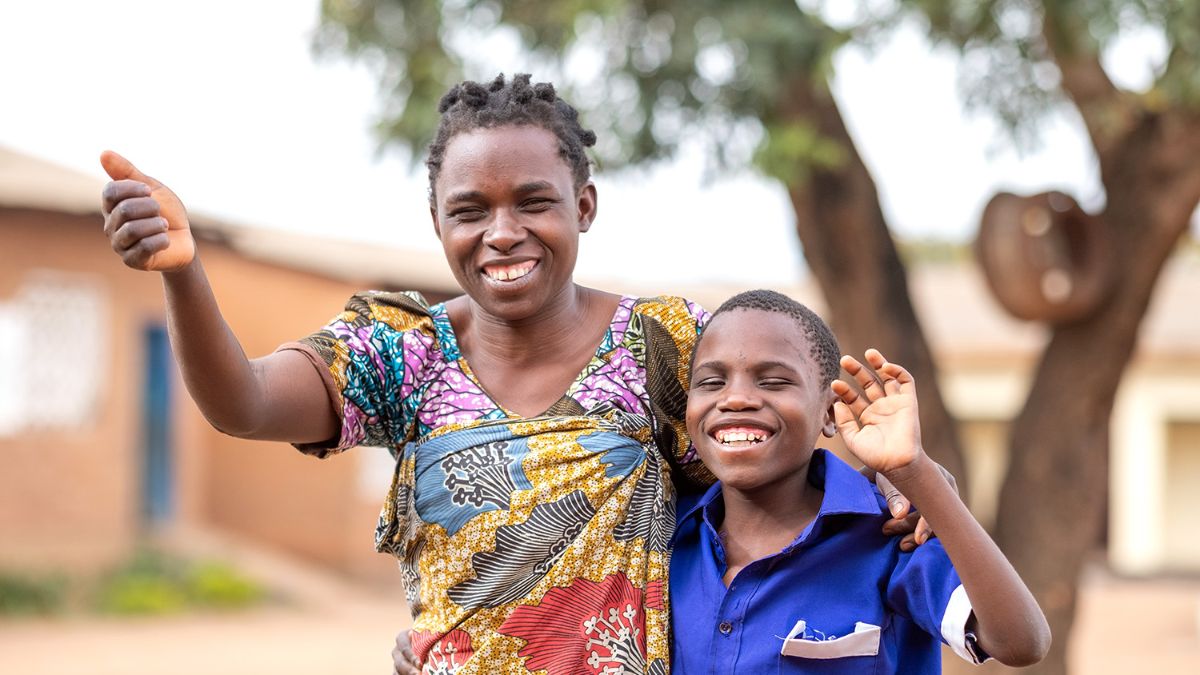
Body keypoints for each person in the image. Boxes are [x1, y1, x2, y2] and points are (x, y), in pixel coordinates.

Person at [102, 74, 932, 675]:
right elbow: (243, 403)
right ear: (437, 220)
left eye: (533, 201)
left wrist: (903, 489)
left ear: (584, 206)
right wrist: (183, 270)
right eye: (470, 210)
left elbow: (772, 438)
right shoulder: (399, 351)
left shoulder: (666, 343)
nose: (503, 232)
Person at [669, 289, 1050, 673]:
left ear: (830, 415)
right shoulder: (662, 536)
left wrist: (915, 471)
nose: (736, 398)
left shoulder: (892, 534)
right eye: (712, 382)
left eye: (773, 381)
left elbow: (1021, 642)